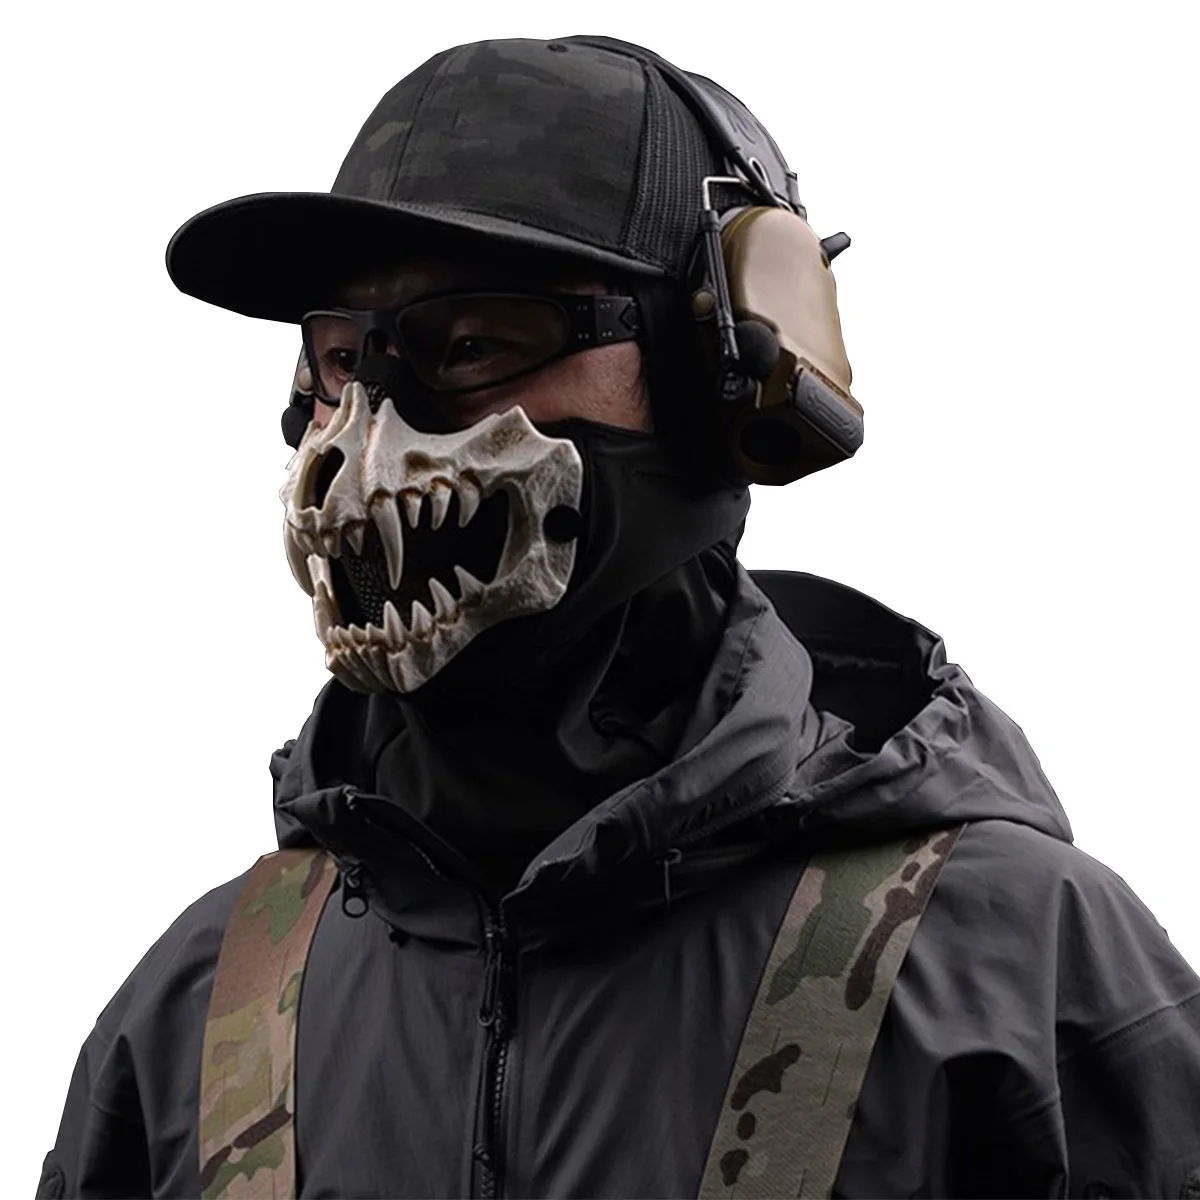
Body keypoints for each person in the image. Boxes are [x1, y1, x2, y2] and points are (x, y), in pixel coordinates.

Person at [41, 35, 1200, 1200]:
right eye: (343, 360)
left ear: (713, 378)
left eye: (472, 345)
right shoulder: (200, 1015)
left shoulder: (1014, 969)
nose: (374, 434)